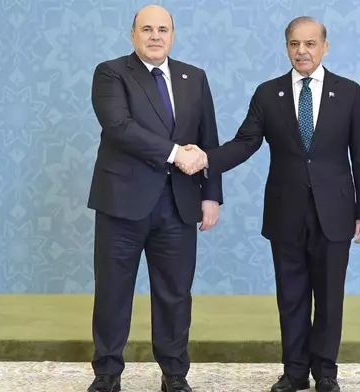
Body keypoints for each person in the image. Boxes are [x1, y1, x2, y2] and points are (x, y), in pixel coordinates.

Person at [179, 16, 360, 392]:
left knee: (330, 297)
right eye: (294, 44)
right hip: (286, 211)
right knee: (291, 295)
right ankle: (294, 371)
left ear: (324, 47)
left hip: (335, 211)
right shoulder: (269, 93)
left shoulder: (348, 92)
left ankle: (325, 373)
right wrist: (205, 158)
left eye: (309, 44)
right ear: (286, 46)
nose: (302, 51)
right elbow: (245, 142)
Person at [86, 5, 222, 392]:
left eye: (163, 29)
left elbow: (208, 138)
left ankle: (175, 375)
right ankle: (107, 375)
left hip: (179, 205)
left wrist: (211, 196)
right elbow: (119, 127)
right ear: (133, 35)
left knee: (176, 295)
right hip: (122, 204)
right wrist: (177, 153)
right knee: (113, 292)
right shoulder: (111, 72)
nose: (155, 36)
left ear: (173, 35)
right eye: (147, 29)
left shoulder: (194, 77)